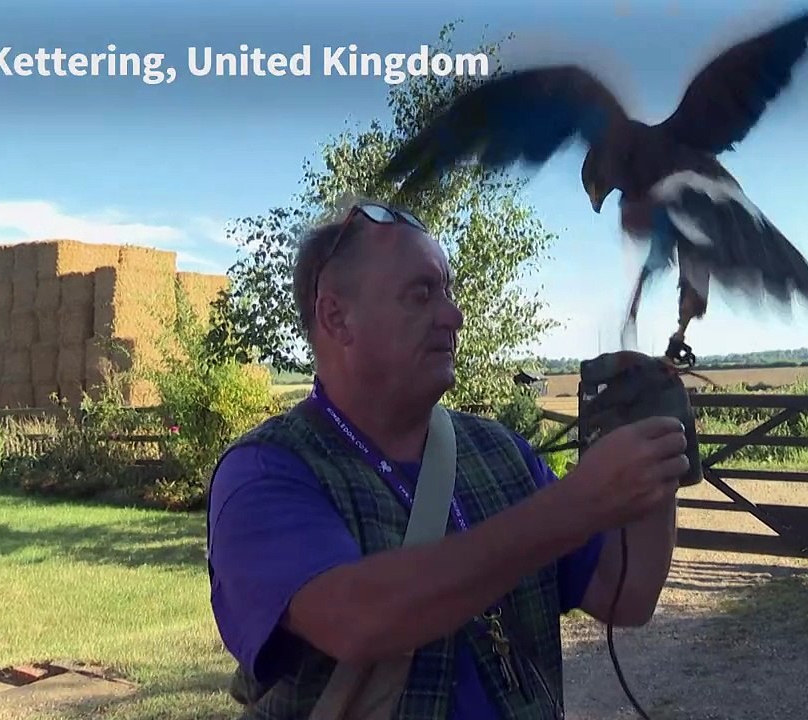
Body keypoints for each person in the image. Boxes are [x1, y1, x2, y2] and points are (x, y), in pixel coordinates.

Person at [205, 199, 690, 719]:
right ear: (336, 317)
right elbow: (356, 620)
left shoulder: (499, 451)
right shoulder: (265, 471)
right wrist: (576, 505)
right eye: (421, 294)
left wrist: (655, 445)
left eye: (447, 292)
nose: (454, 316)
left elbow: (628, 594)